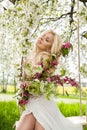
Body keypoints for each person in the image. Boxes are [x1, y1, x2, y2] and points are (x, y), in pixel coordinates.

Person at [15, 30, 83, 130]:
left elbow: (42, 79)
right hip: (32, 103)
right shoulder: (29, 57)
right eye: (42, 36)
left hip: (42, 103)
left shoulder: (45, 57)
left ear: (49, 48)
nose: (42, 38)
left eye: (47, 40)